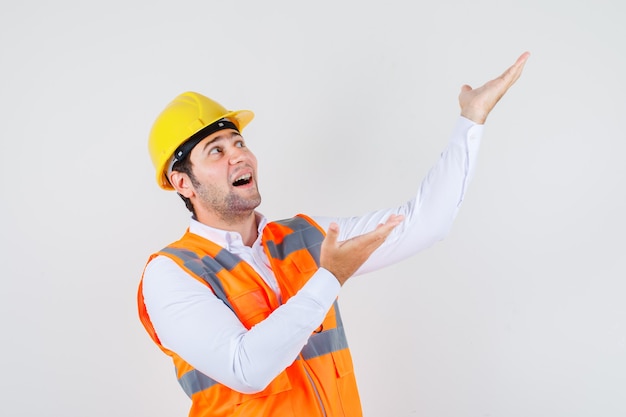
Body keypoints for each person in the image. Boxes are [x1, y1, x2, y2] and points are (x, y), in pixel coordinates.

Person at [137, 52, 530, 417]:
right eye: (215, 151)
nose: (238, 154)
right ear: (183, 183)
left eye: (239, 142)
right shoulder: (172, 274)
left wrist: (471, 120)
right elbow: (246, 369)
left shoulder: (307, 237)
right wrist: (329, 277)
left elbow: (426, 222)